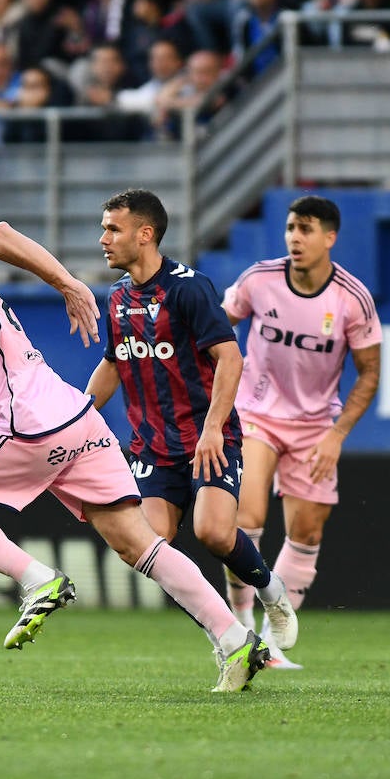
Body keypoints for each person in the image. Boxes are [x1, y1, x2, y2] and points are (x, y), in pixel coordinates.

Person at [0, 199, 273, 693]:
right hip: (75, 416)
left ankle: (37, 580)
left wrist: (67, 284)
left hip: (30, 420)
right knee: (138, 543)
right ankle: (235, 637)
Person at [85, 189, 299, 667]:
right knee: (146, 549)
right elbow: (115, 364)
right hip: (151, 448)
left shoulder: (188, 288)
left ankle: (271, 591)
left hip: (207, 439)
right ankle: (228, 637)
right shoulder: (117, 297)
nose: (103, 239)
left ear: (145, 234)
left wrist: (213, 429)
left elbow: (230, 358)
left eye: (112, 229)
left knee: (214, 533)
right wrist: (77, 416)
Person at [220, 196, 382, 668]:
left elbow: (369, 372)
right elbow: (215, 328)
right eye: (291, 227)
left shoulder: (352, 299)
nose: (295, 237)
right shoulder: (259, 280)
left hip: (314, 426)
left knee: (307, 531)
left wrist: (336, 435)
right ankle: (239, 628)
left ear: (329, 238)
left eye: (306, 229)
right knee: (245, 519)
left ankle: (271, 644)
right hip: (255, 413)